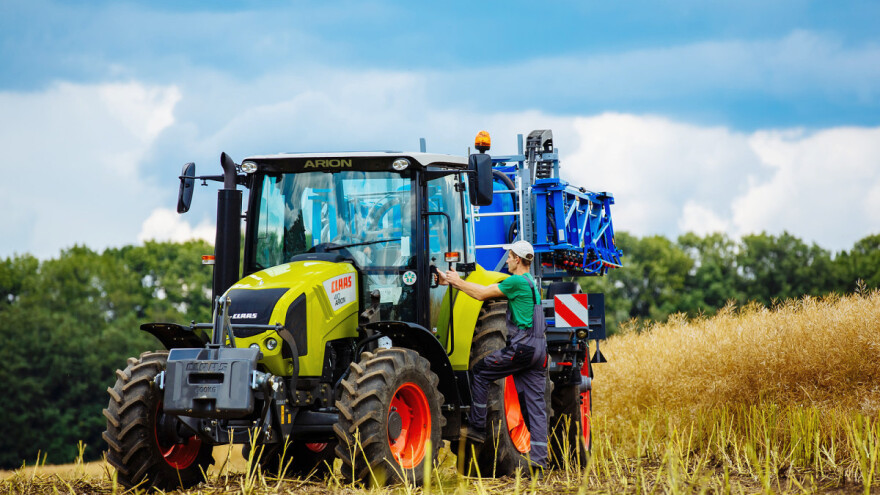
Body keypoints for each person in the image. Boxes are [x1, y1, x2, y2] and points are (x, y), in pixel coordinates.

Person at [438, 240, 548, 470]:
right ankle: (539, 461)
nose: (506, 260)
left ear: (518, 259)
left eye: (509, 257)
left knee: (480, 371)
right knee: (535, 406)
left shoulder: (516, 281)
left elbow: (481, 294)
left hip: (522, 349)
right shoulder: (532, 284)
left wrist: (456, 281)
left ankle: (477, 427)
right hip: (539, 352)